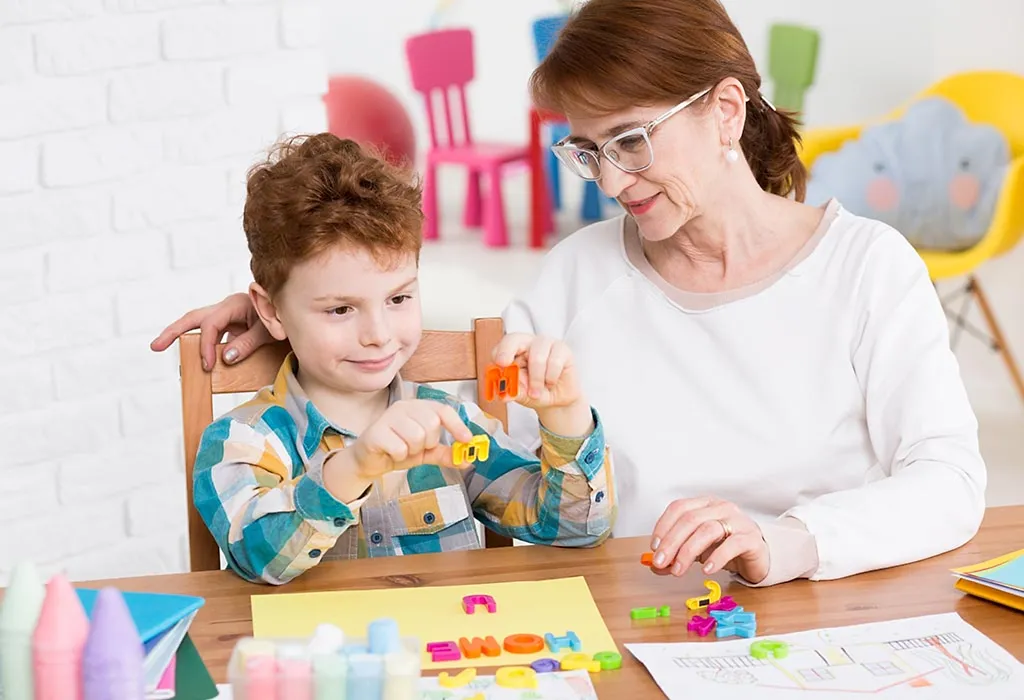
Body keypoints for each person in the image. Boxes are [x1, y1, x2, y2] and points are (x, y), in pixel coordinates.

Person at [153, 0, 985, 588]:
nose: (612, 180)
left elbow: (948, 480)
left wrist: (788, 541)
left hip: (827, 608)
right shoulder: (578, 272)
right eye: (588, 152)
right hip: (632, 625)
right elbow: (466, 411)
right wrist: (289, 310)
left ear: (726, 112)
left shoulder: (868, 267)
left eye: (630, 140)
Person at [191, 133, 614, 585]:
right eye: (340, 309)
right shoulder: (242, 441)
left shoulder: (451, 425)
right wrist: (354, 467)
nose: (378, 335)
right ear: (271, 310)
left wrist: (564, 414)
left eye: (398, 298)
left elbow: (574, 529)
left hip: (448, 651)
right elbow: (256, 556)